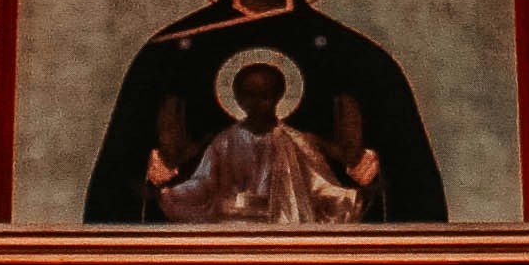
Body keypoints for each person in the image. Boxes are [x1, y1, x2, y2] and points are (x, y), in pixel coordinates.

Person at [85, 0, 442, 223]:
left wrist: (365, 169)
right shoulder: (170, 55)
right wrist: (159, 174)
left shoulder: (355, 58)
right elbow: (119, 179)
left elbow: (410, 181)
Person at [148, 50, 377, 227]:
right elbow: (203, 183)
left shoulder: (297, 142)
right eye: (249, 96)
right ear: (238, 98)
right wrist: (170, 195)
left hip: (284, 227)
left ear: (278, 97)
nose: (257, 103)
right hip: (232, 230)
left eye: (265, 96)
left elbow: (320, 185)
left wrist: (351, 197)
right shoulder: (225, 142)